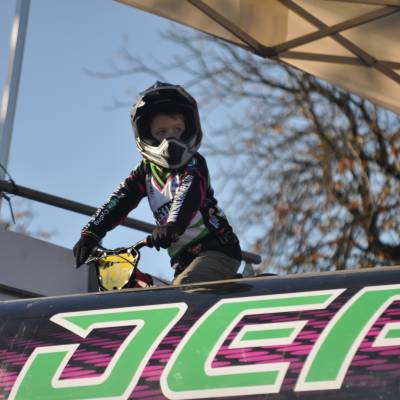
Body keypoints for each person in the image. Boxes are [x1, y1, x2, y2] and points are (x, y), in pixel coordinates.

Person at [73, 81, 241, 285]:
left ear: (189, 128)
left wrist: (173, 225)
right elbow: (120, 199)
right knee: (158, 293)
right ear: (146, 135)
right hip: (182, 260)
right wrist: (91, 233)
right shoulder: (144, 172)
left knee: (185, 290)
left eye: (177, 130)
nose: (170, 140)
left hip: (217, 248)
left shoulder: (194, 164)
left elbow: (188, 194)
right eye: (161, 132)